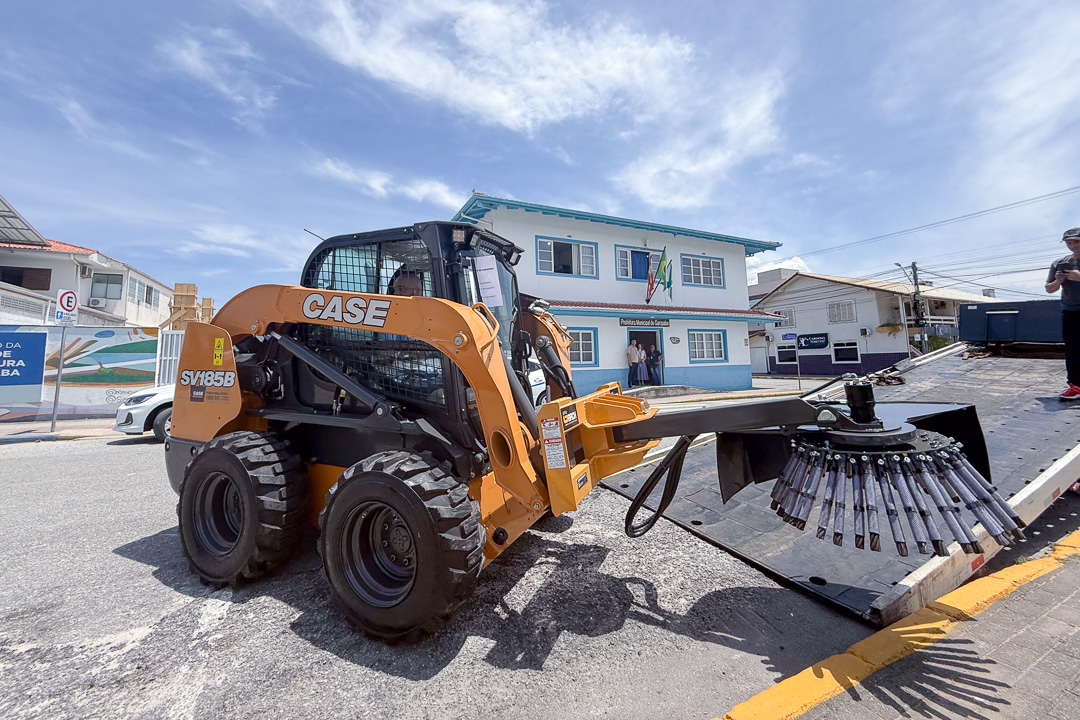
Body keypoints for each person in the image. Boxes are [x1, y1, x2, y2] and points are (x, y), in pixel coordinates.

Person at [1046, 227, 1080, 399]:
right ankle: (1075, 386)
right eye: (1069, 242)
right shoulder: (1058, 263)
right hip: (1070, 311)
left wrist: (1078, 276)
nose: (1072, 245)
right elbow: (1049, 289)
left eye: (1076, 241)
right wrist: (1058, 281)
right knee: (1073, 349)